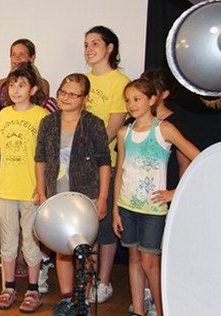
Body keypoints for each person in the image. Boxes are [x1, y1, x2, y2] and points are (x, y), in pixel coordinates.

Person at [113, 79, 199, 316]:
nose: (132, 104)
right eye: (128, 100)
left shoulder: (164, 129)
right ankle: (139, 310)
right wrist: (115, 210)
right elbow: (120, 172)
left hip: (153, 210)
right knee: (133, 258)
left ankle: (162, 311)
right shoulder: (124, 133)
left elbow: (197, 157)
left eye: (137, 99)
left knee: (150, 263)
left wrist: (174, 193)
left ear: (152, 100)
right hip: (127, 206)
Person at [35, 73, 111, 315]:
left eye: (73, 94)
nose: (66, 98)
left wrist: (102, 198)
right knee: (62, 249)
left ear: (84, 98)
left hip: (85, 195)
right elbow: (40, 160)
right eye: (63, 92)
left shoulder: (94, 124)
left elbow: (104, 163)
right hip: (56, 195)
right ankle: (67, 298)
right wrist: (40, 191)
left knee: (84, 249)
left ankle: (84, 299)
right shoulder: (48, 123)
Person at [0, 64, 48, 312]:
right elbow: (3, 153)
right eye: (12, 85)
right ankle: (8, 288)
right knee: (8, 240)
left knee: (30, 242)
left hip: (30, 190)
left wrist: (41, 188)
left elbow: (44, 156)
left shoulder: (41, 116)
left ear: (33, 89)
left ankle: (33, 290)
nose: (16, 90)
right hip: (7, 188)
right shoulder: (3, 115)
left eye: (22, 85)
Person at [83, 25, 130, 304]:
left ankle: (104, 281)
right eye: (86, 44)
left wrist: (89, 151)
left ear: (110, 48)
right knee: (85, 226)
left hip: (104, 163)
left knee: (103, 227)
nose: (89, 49)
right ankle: (87, 278)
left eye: (95, 43)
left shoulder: (119, 82)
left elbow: (113, 127)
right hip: (77, 166)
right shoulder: (84, 81)